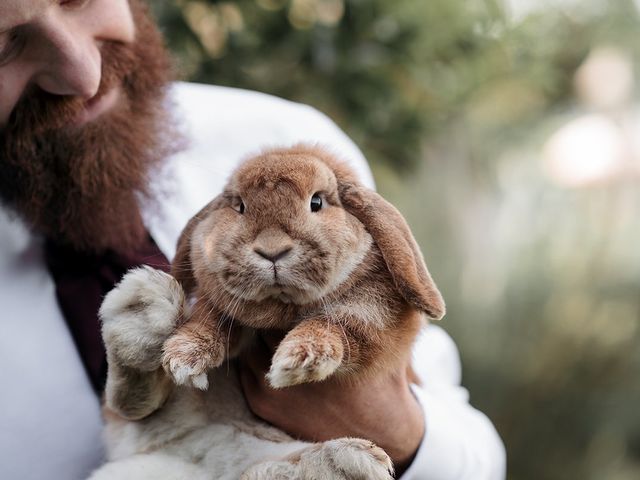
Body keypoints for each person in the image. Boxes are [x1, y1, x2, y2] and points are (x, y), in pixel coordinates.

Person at [0, 1, 506, 479]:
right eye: (3, 43)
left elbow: (474, 453)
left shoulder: (280, 134)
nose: (82, 74)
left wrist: (398, 434)